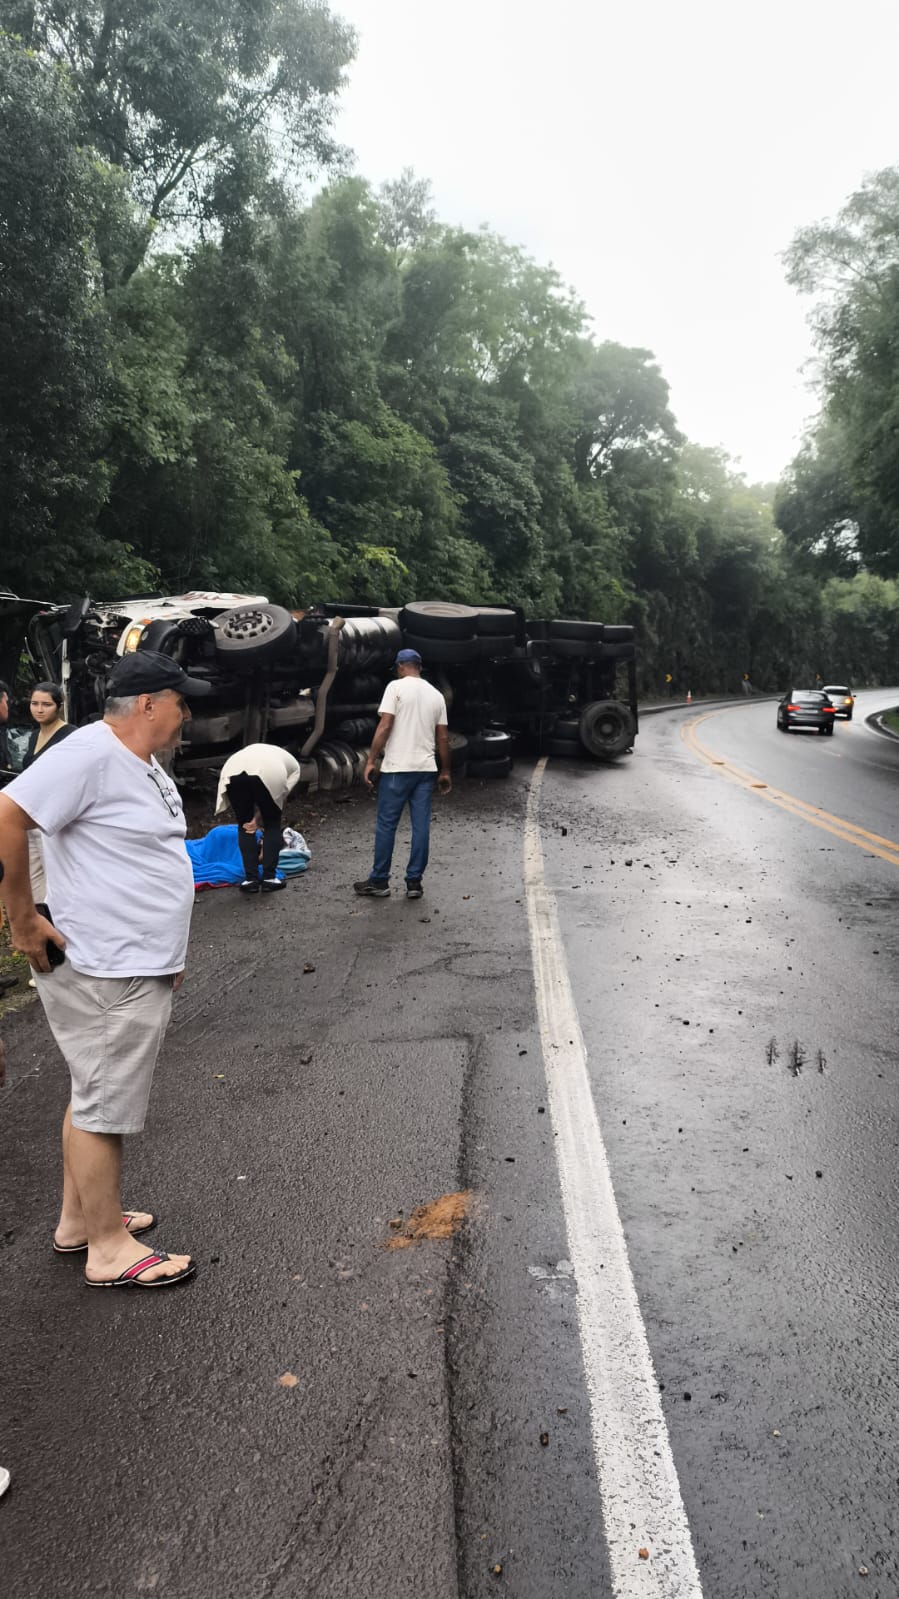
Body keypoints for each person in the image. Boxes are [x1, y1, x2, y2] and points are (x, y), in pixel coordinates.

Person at [0, 649, 212, 1289]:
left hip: (131, 961)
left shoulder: (139, 762)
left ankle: (79, 1220)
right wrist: (21, 919)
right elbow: (8, 814)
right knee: (103, 1106)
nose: (187, 714)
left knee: (91, 1092)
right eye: (181, 702)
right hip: (104, 968)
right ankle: (109, 1249)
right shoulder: (87, 753)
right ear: (148, 704)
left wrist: (165, 953)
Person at [354, 648, 451, 900]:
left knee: (387, 826)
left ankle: (379, 881)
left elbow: (385, 725)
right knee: (421, 827)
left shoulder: (395, 688)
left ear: (400, 666)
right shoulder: (436, 695)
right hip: (425, 770)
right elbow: (443, 737)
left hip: (397, 769)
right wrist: (446, 771)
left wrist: (371, 760)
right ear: (419, 667)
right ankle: (414, 883)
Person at [214, 743, 301, 894]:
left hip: (232, 770)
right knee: (272, 823)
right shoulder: (295, 767)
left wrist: (254, 820)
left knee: (244, 824)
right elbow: (279, 795)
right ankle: (269, 879)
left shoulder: (256, 750)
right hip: (269, 772)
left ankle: (250, 880)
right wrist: (260, 819)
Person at [23, 682, 76, 903]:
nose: (39, 709)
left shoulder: (70, 735)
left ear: (59, 706)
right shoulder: (34, 736)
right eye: (35, 703)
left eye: (46, 704)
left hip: (53, 819)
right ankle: (39, 920)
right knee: (33, 873)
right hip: (29, 814)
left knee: (56, 875)